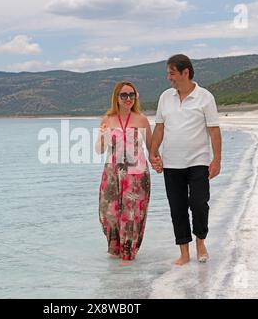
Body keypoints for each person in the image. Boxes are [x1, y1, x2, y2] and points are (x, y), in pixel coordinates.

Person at [149, 54, 222, 266]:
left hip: (198, 161)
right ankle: (184, 252)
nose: (168, 77)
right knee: (177, 207)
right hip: (172, 163)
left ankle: (200, 242)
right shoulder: (165, 97)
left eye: (172, 73)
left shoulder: (205, 97)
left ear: (185, 73)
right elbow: (160, 127)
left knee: (199, 203)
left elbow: (214, 131)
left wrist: (217, 159)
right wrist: (153, 153)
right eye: (168, 73)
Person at [95, 81, 153, 263]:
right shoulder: (108, 119)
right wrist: (104, 135)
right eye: (124, 95)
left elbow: (151, 148)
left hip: (136, 175)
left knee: (132, 215)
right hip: (112, 173)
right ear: (117, 98)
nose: (128, 98)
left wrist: (159, 163)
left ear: (136, 97)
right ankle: (115, 251)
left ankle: (128, 256)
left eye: (131, 95)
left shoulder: (141, 119)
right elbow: (99, 149)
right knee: (108, 213)